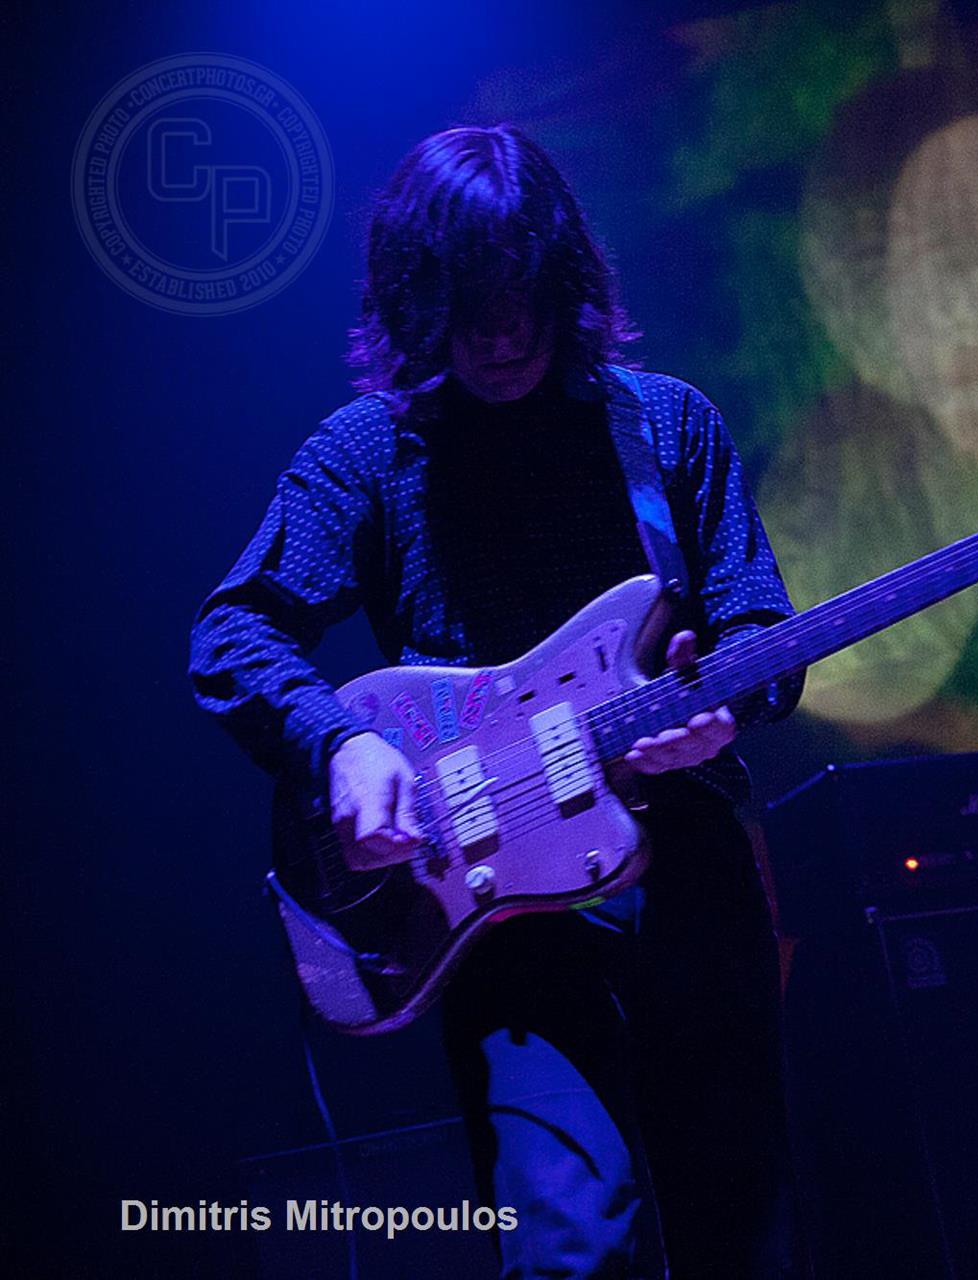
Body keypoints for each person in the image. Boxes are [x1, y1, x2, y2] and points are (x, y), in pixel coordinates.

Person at [190, 124, 802, 1278]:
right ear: (414, 301)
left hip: (691, 887)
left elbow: (760, 625)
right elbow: (233, 629)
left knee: (741, 1238)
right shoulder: (370, 453)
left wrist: (733, 700)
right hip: (509, 918)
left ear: (563, 277)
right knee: (569, 1247)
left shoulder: (664, 423)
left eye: (520, 291)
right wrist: (340, 741)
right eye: (466, 300)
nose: (502, 329)